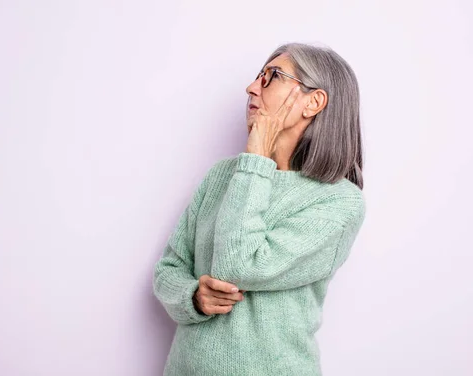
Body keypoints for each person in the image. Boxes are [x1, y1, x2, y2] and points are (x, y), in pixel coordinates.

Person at [152, 42, 366, 376]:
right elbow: (169, 268)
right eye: (258, 76)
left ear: (314, 102)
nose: (252, 87)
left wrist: (255, 160)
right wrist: (193, 298)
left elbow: (239, 265)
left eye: (272, 76)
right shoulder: (222, 177)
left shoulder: (338, 202)